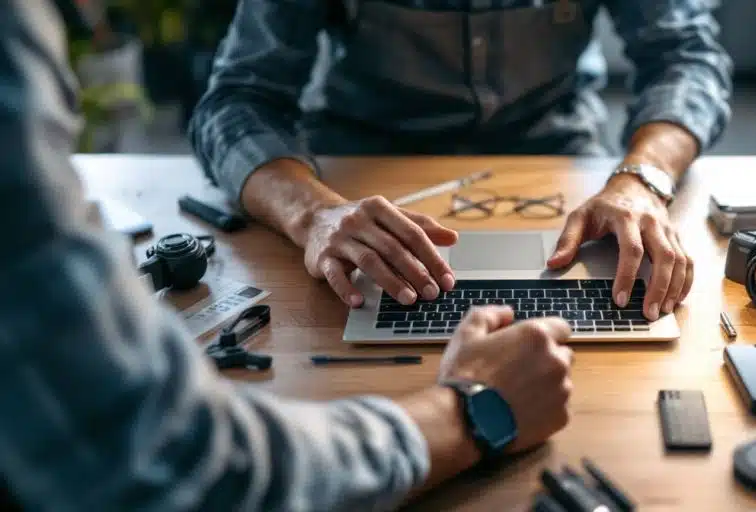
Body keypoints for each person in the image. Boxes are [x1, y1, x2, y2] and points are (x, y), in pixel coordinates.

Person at [0, 1, 574, 509]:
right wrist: (473, 410)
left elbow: (669, 53)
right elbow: (166, 468)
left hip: (569, 176)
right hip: (347, 182)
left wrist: (639, 177)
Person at [189, 0, 733, 322]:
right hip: (361, 191)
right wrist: (312, 214)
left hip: (565, 173)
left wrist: (642, 178)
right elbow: (237, 99)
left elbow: (686, 57)